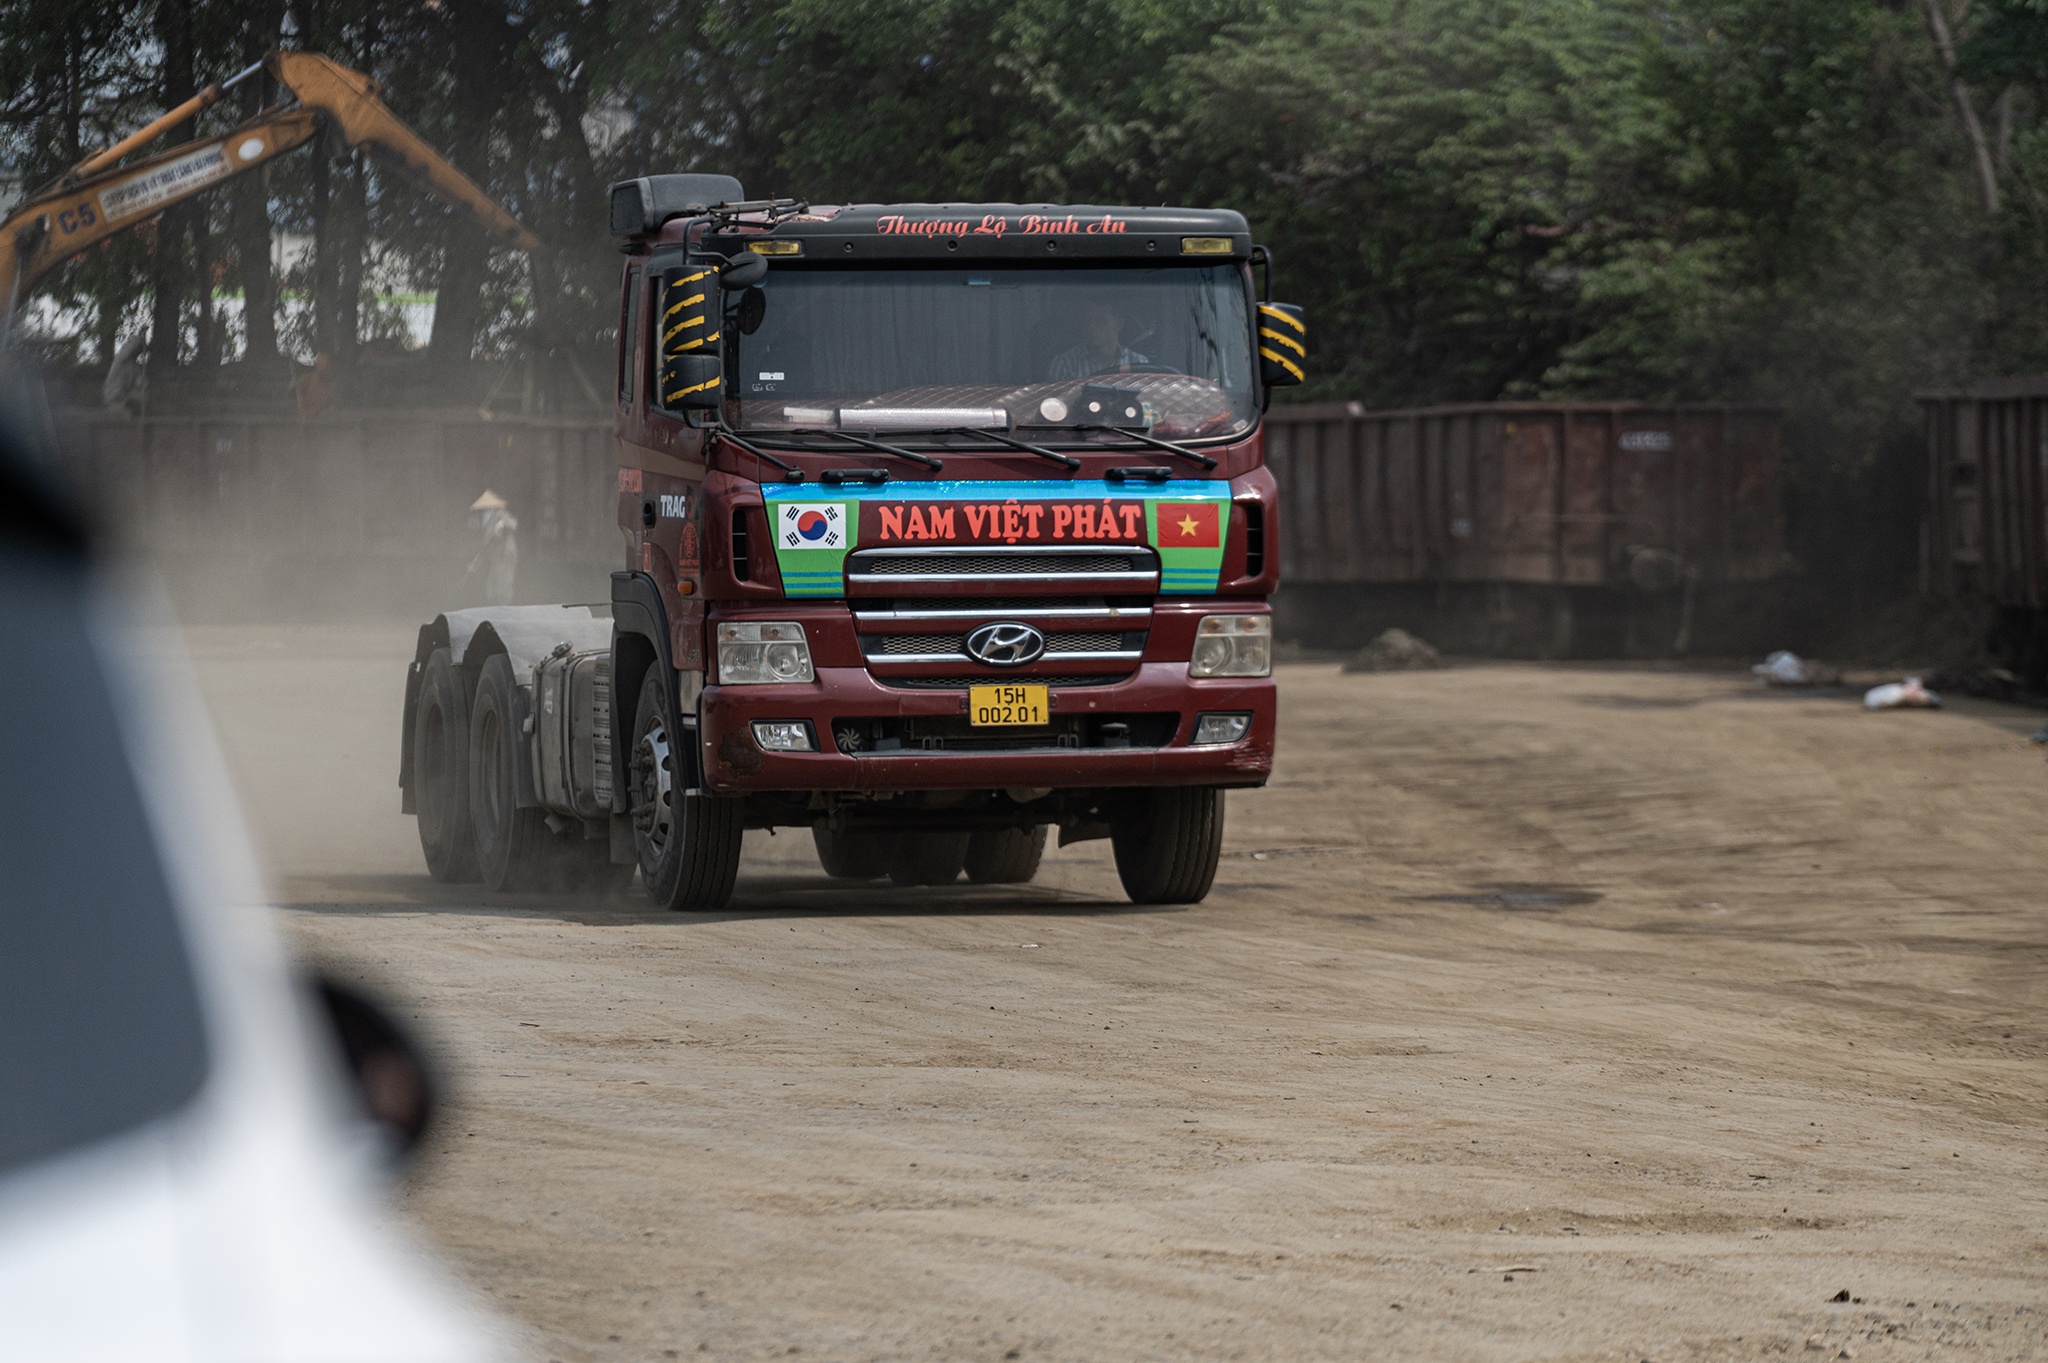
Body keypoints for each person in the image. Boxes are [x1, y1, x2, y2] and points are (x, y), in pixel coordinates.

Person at [1046, 301, 1148, 380]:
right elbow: (1054, 404)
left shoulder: (1138, 363)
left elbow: (1147, 403)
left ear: (1119, 325)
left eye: (1101, 321)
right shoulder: (1065, 364)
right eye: (1087, 320)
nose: (1091, 327)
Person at [465, 489, 518, 605]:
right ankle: (495, 611)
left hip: (504, 555)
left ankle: (503, 612)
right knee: (491, 589)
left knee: (502, 587)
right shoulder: (481, 518)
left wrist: (502, 524)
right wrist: (475, 564)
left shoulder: (500, 513)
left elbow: (513, 523)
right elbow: (484, 546)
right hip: (494, 556)